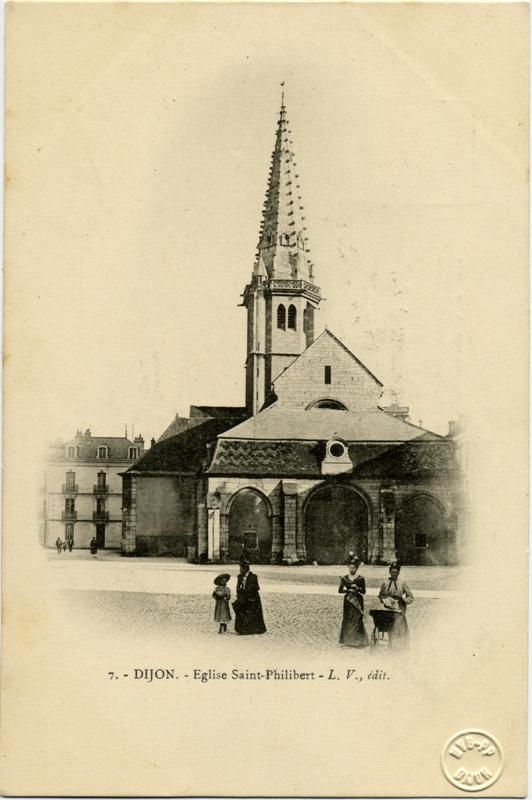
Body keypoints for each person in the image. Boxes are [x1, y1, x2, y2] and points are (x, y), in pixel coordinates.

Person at [378, 562, 414, 648]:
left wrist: (405, 600)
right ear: (390, 572)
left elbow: (410, 596)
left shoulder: (402, 583)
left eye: (396, 572)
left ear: (398, 573)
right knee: (390, 624)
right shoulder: (385, 583)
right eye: (392, 572)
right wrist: (384, 600)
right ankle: (392, 644)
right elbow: (381, 594)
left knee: (399, 624)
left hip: (400, 606)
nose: (394, 574)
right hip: (389, 606)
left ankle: (401, 644)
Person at [338, 557, 369, 648]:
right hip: (348, 600)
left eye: (354, 568)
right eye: (351, 567)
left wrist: (357, 588)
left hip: (358, 600)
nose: (352, 569)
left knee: (357, 620)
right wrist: (347, 590)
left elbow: (364, 591)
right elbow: (340, 590)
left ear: (357, 568)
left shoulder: (360, 579)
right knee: (348, 619)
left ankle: (358, 641)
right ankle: (348, 641)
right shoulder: (345, 578)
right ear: (348, 568)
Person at [233, 560, 266, 635]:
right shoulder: (240, 577)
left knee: (251, 613)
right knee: (241, 611)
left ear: (245, 569)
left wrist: (249, 589)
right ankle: (242, 629)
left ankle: (253, 629)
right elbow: (237, 586)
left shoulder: (253, 577)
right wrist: (238, 593)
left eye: (241, 568)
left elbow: (257, 587)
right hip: (242, 597)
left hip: (252, 597)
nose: (239, 570)